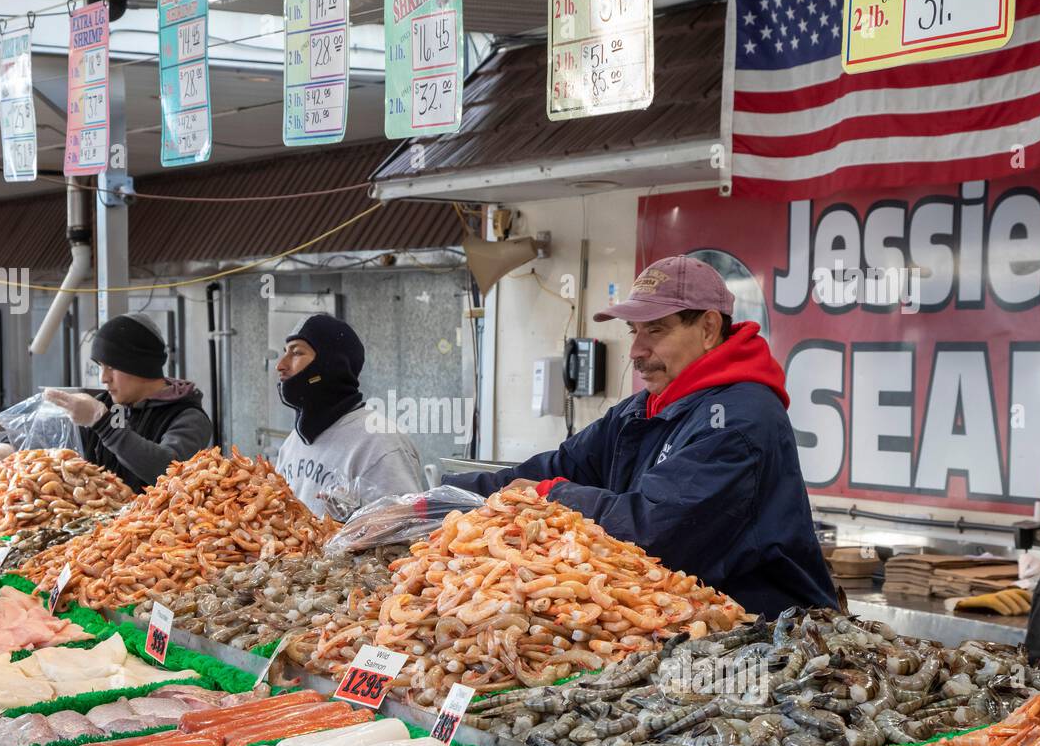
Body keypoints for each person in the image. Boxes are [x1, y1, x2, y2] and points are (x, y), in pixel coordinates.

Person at [444, 255, 836, 619]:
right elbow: (561, 466)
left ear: (709, 328)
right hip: (679, 626)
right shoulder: (643, 409)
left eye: (656, 330)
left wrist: (551, 494)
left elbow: (652, 531)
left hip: (765, 639)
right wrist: (439, 498)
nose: (635, 350)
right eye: (634, 331)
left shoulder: (739, 420)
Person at [0, 314, 212, 493]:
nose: (104, 378)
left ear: (140, 366)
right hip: (101, 536)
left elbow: (167, 469)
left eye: (112, 367)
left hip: (158, 541)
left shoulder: (187, 417)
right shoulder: (106, 403)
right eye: (100, 367)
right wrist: (4, 449)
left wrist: (103, 424)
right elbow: (48, 436)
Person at [275, 314, 424, 519]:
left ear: (330, 364)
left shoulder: (380, 443)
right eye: (285, 352)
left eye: (297, 352)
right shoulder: (292, 444)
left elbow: (409, 532)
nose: (280, 365)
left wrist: (356, 519)